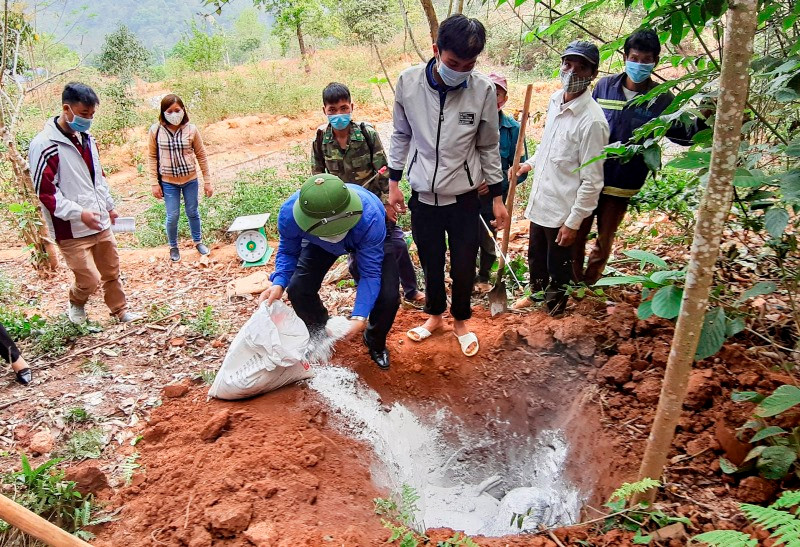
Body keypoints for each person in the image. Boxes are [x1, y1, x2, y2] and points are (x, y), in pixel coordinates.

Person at [387, 14, 508, 357]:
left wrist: (497, 197)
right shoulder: (409, 83)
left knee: (464, 263)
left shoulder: (482, 90)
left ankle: (461, 321)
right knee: (430, 259)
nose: (461, 71)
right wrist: (394, 183)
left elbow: (488, 146)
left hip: (464, 197)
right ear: (436, 50)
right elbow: (401, 134)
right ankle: (435, 316)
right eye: (454, 63)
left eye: (469, 65)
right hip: (423, 196)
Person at [573, 30, 706, 285]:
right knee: (577, 230)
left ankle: (590, 283)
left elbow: (681, 134)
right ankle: (573, 280)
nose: (639, 64)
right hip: (590, 176)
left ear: (655, 61)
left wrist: (706, 121)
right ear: (625, 57)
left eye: (646, 60)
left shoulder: (662, 99)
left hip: (623, 182)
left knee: (605, 237)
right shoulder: (604, 87)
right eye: (635, 58)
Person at [259, 174, 399, 370]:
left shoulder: (370, 217)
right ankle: (321, 333)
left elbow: (370, 273)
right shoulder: (290, 215)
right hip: (319, 244)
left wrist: (359, 317)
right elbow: (288, 251)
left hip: (363, 237)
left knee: (388, 296)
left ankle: (374, 341)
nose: (334, 234)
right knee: (298, 288)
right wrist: (279, 282)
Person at [29, 82, 140, 324]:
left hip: (99, 221)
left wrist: (109, 206)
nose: (88, 120)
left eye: (91, 114)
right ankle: (76, 302)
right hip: (70, 229)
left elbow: (98, 177)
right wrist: (79, 213)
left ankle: (120, 310)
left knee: (111, 270)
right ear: (66, 109)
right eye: (83, 114)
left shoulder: (87, 139)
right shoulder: (44, 145)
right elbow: (47, 193)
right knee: (88, 278)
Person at [514, 41, 610, 315]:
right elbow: (548, 147)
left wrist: (573, 222)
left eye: (581, 68)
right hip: (542, 199)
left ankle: (554, 312)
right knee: (536, 256)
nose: (572, 72)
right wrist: (528, 165)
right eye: (568, 64)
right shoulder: (556, 100)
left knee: (558, 265)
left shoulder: (592, 122)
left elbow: (592, 181)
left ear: (593, 74)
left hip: (563, 210)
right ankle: (536, 295)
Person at [312, 82, 424, 304]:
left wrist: (387, 204)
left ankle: (411, 290)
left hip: (374, 204)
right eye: (332, 110)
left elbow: (382, 170)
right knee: (356, 255)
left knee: (397, 245)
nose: (339, 114)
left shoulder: (366, 134)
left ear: (351, 107)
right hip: (345, 208)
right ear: (324, 110)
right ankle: (368, 296)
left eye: (343, 108)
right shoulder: (321, 139)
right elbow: (317, 176)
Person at [476, 73, 528, 291]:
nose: (492, 98)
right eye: (488, 92)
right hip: (467, 193)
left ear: (504, 99)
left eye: (497, 94)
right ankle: (464, 277)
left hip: (494, 198)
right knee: (465, 237)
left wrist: (496, 183)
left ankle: (484, 277)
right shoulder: (470, 121)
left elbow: (520, 169)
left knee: (488, 239)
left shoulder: (513, 129)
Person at [148, 94, 214, 263]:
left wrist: (207, 181)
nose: (174, 114)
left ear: (183, 110)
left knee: (193, 212)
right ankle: (173, 246)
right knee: (173, 215)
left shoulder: (191, 130)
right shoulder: (156, 131)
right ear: (163, 112)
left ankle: (198, 241)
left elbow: (201, 155)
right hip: (168, 182)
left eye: (177, 110)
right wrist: (154, 183)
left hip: (190, 180)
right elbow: (152, 157)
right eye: (169, 111)